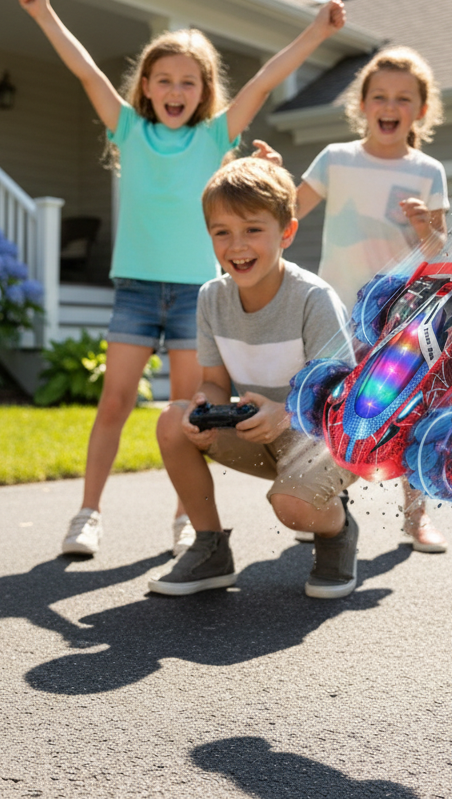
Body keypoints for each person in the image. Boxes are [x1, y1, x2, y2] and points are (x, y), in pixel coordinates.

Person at [18, 0, 345, 558]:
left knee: (193, 408)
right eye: (163, 80)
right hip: (138, 290)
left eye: (187, 82)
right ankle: (87, 513)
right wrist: (45, 15)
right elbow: (87, 71)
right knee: (114, 401)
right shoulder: (131, 129)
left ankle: (184, 520)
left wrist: (317, 30)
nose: (175, 90)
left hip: (199, 293)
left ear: (204, 91)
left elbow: (269, 78)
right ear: (145, 86)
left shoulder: (216, 135)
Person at [254, 46, 451, 554]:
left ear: (421, 111)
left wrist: (423, 225)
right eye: (379, 96)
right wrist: (274, 172)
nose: (390, 105)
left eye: (403, 98)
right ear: (361, 105)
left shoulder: (428, 170)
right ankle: (323, 503)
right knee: (326, 409)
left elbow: (438, 249)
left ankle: (416, 516)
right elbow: (288, 209)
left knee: (407, 413)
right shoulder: (336, 159)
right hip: (333, 314)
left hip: (399, 320)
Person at [148, 157, 360, 599]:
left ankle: (336, 529)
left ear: (287, 232)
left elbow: (343, 394)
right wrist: (202, 407)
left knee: (294, 507)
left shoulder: (312, 298)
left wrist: (284, 415)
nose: (236, 245)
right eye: (221, 231)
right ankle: (210, 549)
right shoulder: (211, 297)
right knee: (173, 420)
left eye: (252, 229)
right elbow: (212, 382)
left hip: (324, 437)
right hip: (253, 430)